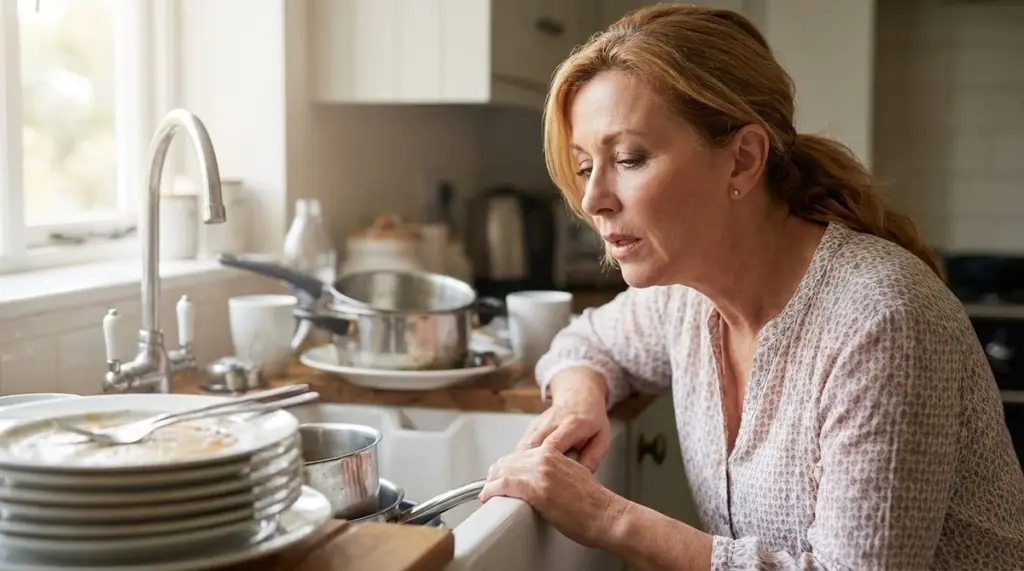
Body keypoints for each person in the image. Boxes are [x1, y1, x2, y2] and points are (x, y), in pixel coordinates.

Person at [477, 4, 1024, 570]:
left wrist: (606, 517)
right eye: (587, 166)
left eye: (629, 158)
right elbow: (586, 344)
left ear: (741, 160)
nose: (593, 201)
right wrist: (578, 401)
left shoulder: (881, 319)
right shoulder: (683, 299)